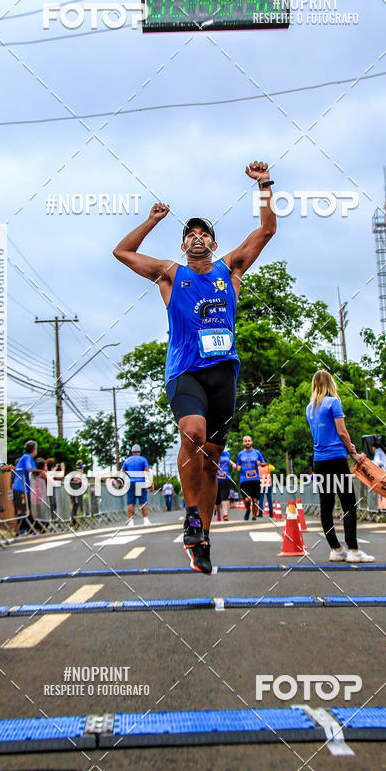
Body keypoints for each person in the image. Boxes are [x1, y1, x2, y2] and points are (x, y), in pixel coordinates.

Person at [113, 160, 276, 573]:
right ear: (184, 245)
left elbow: (266, 230)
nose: (197, 236)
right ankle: (190, 516)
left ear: (214, 244)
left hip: (224, 372)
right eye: (190, 234)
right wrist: (152, 220)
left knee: (212, 459)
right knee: (194, 434)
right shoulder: (170, 274)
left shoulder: (230, 269)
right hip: (185, 370)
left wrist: (264, 185)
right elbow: (122, 252)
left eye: (204, 233)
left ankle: (202, 538)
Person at [305, 370, 374, 563]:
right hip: (336, 458)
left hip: (319, 461)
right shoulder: (333, 402)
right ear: (330, 383)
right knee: (348, 504)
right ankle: (353, 549)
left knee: (326, 506)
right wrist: (353, 453)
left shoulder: (310, 408)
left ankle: (335, 549)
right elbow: (342, 433)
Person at [12, 440, 42, 534]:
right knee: (23, 510)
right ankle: (22, 530)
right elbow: (29, 469)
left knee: (28, 509)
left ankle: (30, 529)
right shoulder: (27, 457)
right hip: (20, 487)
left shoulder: (29, 458)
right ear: (34, 449)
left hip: (26, 488)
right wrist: (40, 471)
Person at [236, 436, 268, 521]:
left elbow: (264, 463)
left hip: (255, 479)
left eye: (249, 441)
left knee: (255, 500)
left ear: (252, 442)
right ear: (243, 443)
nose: (247, 442)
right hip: (244, 480)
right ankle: (247, 509)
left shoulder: (257, 452)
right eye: (245, 441)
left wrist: (260, 463)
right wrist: (238, 467)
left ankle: (254, 516)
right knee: (247, 499)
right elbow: (238, 465)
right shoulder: (240, 454)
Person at [121, 444, 152, 527]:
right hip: (141, 482)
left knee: (131, 503)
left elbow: (122, 472)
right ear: (140, 451)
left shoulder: (127, 460)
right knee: (143, 502)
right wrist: (150, 483)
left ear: (132, 452)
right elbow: (147, 471)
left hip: (130, 483)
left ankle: (131, 522)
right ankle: (145, 520)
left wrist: (123, 482)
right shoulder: (143, 459)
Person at [216, 444, 236, 521]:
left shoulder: (227, 453)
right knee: (217, 501)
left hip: (226, 478)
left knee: (225, 497)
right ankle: (218, 513)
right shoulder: (214, 453)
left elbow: (228, 461)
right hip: (216, 479)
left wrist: (233, 464)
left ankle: (225, 515)